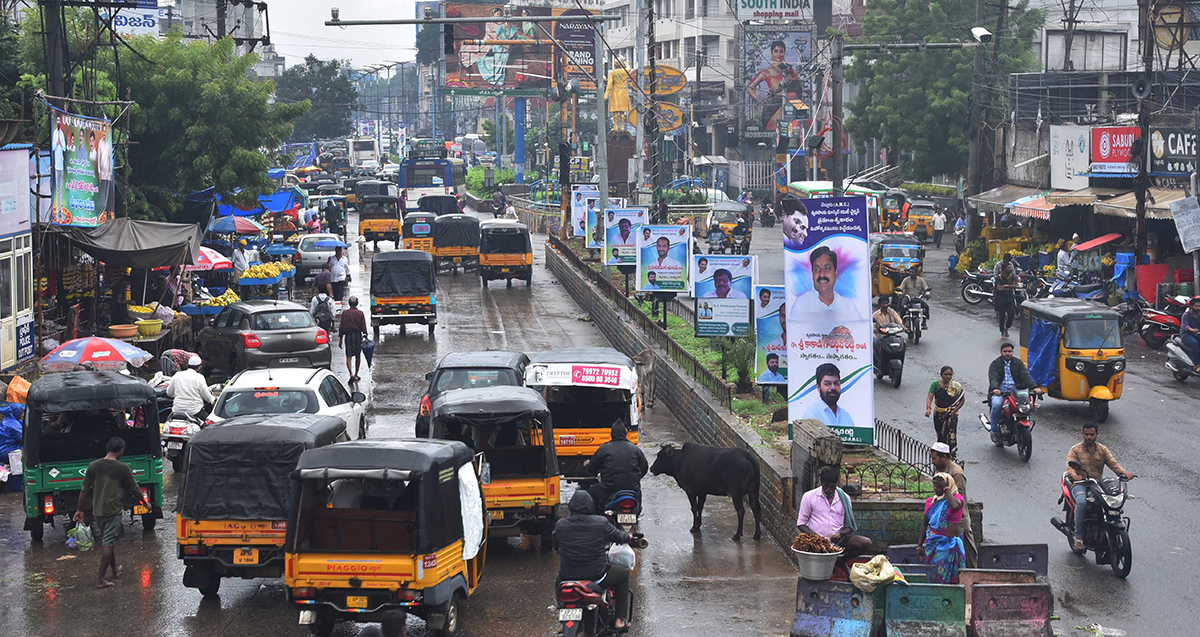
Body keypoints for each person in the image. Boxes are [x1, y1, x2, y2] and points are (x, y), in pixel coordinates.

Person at [553, 491, 635, 631]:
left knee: (558, 581)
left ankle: (563, 613)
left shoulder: (561, 525)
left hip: (568, 576)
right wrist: (628, 536)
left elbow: (556, 546)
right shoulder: (601, 523)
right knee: (622, 575)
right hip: (596, 576)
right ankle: (620, 620)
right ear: (591, 505)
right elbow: (620, 537)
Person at [73, 437, 149, 588]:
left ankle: (114, 571)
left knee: (109, 540)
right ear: (121, 451)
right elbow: (134, 489)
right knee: (107, 545)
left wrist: (79, 510)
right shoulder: (122, 468)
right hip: (113, 511)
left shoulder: (93, 466)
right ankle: (100, 580)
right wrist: (145, 503)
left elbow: (84, 490)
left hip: (98, 511)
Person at [1066, 423, 1135, 551]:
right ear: (1083, 434)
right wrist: (1074, 475)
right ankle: (1079, 536)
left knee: (1107, 502)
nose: (1089, 437)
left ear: (1097, 434)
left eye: (1092, 434)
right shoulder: (1076, 450)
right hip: (1080, 484)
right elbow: (1069, 466)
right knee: (1081, 502)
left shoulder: (1103, 450)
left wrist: (1124, 474)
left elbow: (1113, 464)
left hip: (1096, 485)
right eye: (1086, 434)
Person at [796, 466, 872, 561]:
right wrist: (816, 538)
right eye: (826, 486)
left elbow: (849, 527)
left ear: (836, 484)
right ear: (821, 483)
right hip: (815, 542)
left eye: (832, 487)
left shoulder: (844, 498)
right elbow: (801, 523)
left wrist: (840, 534)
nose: (829, 489)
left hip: (838, 542)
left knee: (866, 543)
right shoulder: (809, 497)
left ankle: (841, 562)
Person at [584, 421, 648, 511]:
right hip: (632, 489)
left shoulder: (604, 449)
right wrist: (634, 478)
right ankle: (637, 512)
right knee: (638, 492)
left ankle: (596, 517)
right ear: (625, 433)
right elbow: (644, 468)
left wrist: (587, 465)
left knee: (591, 490)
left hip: (608, 489)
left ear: (612, 434)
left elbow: (592, 468)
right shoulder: (635, 449)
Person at [930, 442, 976, 566]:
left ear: (944, 457)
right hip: (946, 519)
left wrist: (946, 489)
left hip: (959, 520)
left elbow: (958, 501)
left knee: (966, 552)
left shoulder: (956, 473)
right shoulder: (941, 470)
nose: (932, 461)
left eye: (934, 458)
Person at [987, 342, 1041, 441]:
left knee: (1025, 406)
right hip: (1001, 393)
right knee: (996, 405)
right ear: (1001, 352)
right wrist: (995, 388)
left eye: (1009, 351)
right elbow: (993, 377)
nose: (1007, 353)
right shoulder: (995, 364)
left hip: (1016, 393)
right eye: (1005, 351)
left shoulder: (1018, 363)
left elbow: (1026, 376)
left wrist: (1034, 387)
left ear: (1012, 352)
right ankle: (993, 431)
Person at [791, 247, 863, 320]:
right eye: (817, 269)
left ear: (836, 273)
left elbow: (859, 329)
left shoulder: (848, 305)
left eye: (827, 268)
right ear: (812, 274)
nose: (822, 274)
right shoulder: (801, 304)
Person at [919, 472, 966, 583]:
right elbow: (925, 524)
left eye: (939, 487)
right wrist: (919, 546)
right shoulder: (931, 502)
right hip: (934, 545)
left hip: (951, 547)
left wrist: (946, 489)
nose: (936, 489)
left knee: (953, 579)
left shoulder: (957, 498)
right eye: (935, 486)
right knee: (935, 576)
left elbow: (955, 505)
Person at [925, 366, 965, 457]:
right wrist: (928, 408)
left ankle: (950, 452)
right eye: (946, 374)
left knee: (950, 433)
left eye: (950, 374)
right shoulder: (935, 385)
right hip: (939, 414)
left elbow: (962, 400)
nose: (948, 376)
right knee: (940, 433)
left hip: (951, 414)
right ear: (941, 375)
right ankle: (940, 452)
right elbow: (930, 396)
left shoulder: (956, 386)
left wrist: (954, 410)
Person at [802, 363, 855, 428]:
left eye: (836, 383)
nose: (833, 387)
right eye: (827, 384)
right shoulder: (811, 416)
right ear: (818, 387)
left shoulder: (846, 416)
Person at [166, 355, 215, 419]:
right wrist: (214, 400)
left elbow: (169, 393)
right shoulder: (199, 377)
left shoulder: (177, 375)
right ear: (199, 367)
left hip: (177, 410)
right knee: (209, 423)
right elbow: (207, 396)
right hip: (194, 411)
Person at [339, 296, 367, 383]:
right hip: (357, 336)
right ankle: (356, 374)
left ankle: (350, 373)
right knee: (358, 355)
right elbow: (363, 326)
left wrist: (340, 339)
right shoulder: (360, 313)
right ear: (357, 303)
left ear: (349, 303)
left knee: (349, 356)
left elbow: (342, 326)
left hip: (348, 336)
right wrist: (366, 337)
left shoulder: (345, 313)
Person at [993, 263, 1020, 338]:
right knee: (1002, 316)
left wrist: (1006, 286)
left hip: (1009, 298)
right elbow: (999, 288)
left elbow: (1015, 285)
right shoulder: (999, 277)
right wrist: (1009, 287)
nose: (1010, 269)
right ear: (1004, 269)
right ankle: (1002, 331)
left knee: (1011, 315)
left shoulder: (1012, 276)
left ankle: (1007, 328)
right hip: (1000, 299)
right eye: (1008, 267)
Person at [1180, 296, 1200, 372]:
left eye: (1199, 306)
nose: (1198, 308)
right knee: (1195, 344)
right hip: (1186, 334)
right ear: (1191, 306)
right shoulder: (1186, 315)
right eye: (1196, 306)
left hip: (1197, 334)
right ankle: (1197, 365)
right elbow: (1185, 326)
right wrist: (1192, 329)